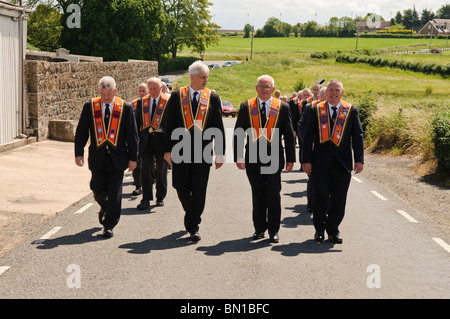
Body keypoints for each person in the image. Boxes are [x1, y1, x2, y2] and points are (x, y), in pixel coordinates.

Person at [163, 61, 225, 242]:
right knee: (180, 186)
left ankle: (193, 225)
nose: (206, 80)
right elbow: (170, 125)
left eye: (207, 77)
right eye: (203, 77)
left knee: (199, 190)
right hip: (180, 150)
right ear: (192, 77)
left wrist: (220, 152)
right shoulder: (177, 96)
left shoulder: (212, 97)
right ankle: (191, 213)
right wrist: (167, 150)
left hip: (204, 151)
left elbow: (218, 127)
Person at [234, 75, 296, 243]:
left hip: (274, 158)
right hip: (252, 158)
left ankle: (274, 231)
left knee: (273, 194)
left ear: (273, 89)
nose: (264, 89)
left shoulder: (282, 107)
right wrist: (238, 156)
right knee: (258, 194)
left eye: (267, 87)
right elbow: (238, 133)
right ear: (256, 88)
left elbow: (289, 135)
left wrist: (291, 158)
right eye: (261, 86)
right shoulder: (246, 106)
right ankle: (259, 229)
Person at [302, 79, 364, 244]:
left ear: (342, 92)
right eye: (331, 90)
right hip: (319, 163)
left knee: (339, 199)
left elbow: (357, 136)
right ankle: (319, 229)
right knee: (320, 197)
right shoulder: (315, 110)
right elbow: (307, 137)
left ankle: (333, 229)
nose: (334, 93)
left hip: (342, 164)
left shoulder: (351, 111)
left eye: (337, 90)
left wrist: (359, 160)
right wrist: (305, 160)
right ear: (326, 92)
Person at [75, 76, 138, 238]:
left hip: (118, 159)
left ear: (115, 91)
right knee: (96, 188)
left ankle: (109, 225)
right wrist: (78, 153)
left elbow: (132, 135)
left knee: (115, 192)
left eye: (109, 95)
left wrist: (133, 158)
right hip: (97, 157)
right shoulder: (90, 106)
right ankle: (105, 206)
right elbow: (82, 131)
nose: (105, 98)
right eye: (103, 95)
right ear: (99, 91)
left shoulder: (125, 107)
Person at [135, 77, 170, 209]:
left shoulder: (168, 102)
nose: (152, 91)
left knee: (161, 170)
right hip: (146, 141)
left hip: (162, 140)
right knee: (145, 169)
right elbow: (137, 123)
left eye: (155, 88)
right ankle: (146, 199)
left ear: (161, 88)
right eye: (150, 89)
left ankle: (160, 196)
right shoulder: (142, 102)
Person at [298, 87, 327, 214]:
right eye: (324, 98)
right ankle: (311, 203)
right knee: (313, 178)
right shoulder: (311, 108)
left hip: (329, 151)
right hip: (314, 149)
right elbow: (302, 126)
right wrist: (309, 142)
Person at [130, 82, 149, 196]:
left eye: (144, 91)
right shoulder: (132, 104)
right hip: (136, 137)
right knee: (136, 161)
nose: (142, 93)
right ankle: (138, 186)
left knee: (147, 164)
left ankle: (148, 183)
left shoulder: (152, 103)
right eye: (140, 91)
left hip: (148, 138)